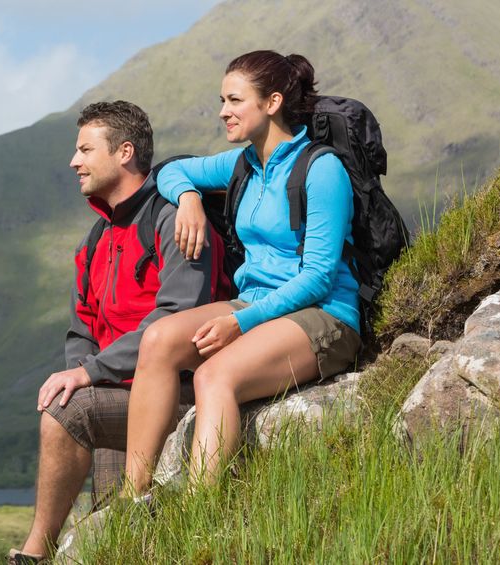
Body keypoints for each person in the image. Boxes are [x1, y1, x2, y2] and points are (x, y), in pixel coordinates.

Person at [122, 50, 363, 495]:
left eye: (234, 101)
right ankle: (133, 495)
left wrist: (240, 323)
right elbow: (170, 171)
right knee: (157, 339)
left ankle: (198, 516)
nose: (223, 112)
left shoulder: (321, 169)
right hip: (253, 304)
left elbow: (318, 277)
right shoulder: (243, 166)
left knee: (214, 376)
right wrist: (190, 200)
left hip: (320, 313)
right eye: (222, 100)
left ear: (271, 103)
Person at [9, 101, 217, 564]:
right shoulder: (96, 239)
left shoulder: (174, 218)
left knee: (68, 411)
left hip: (177, 391)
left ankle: (34, 553)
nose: (73, 161)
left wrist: (90, 376)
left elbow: (178, 314)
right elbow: (81, 326)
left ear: (125, 152)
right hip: (119, 393)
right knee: (115, 529)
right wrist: (88, 370)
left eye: (85, 149)